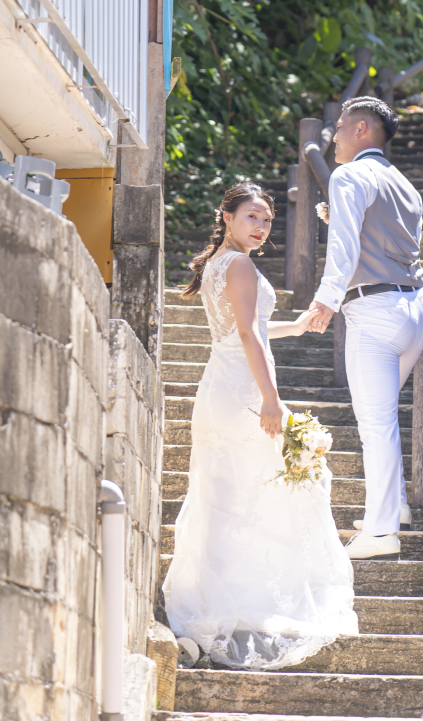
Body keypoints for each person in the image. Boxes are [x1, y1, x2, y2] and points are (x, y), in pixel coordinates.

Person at [163, 181, 358, 669]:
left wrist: (293, 327)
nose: (261, 226)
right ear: (226, 217)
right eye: (252, 216)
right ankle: (239, 601)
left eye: (267, 220)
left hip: (221, 386)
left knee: (228, 493)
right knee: (266, 489)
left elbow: (241, 328)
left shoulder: (217, 265)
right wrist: (271, 399)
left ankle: (216, 600)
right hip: (244, 392)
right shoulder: (241, 265)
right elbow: (246, 333)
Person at [307, 97, 423, 559]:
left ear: (362, 129)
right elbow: (386, 237)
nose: (334, 138)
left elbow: (343, 246)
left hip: (375, 311)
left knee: (375, 421)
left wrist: (325, 299)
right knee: (384, 415)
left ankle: (380, 533)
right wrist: (334, 214)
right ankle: (394, 506)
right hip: (415, 311)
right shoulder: (405, 185)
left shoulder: (349, 175)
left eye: (339, 129)